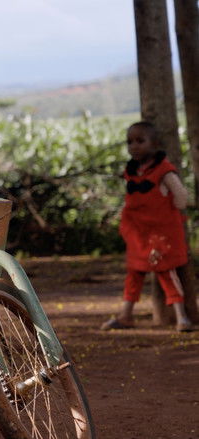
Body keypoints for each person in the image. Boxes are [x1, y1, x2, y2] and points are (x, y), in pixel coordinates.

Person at [101, 121, 193, 332]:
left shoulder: (164, 171)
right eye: (130, 142)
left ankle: (182, 317)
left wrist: (177, 206)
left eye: (140, 141)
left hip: (159, 234)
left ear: (155, 144)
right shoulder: (132, 171)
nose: (134, 146)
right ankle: (126, 315)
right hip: (137, 233)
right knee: (134, 273)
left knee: (166, 272)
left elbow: (181, 197)